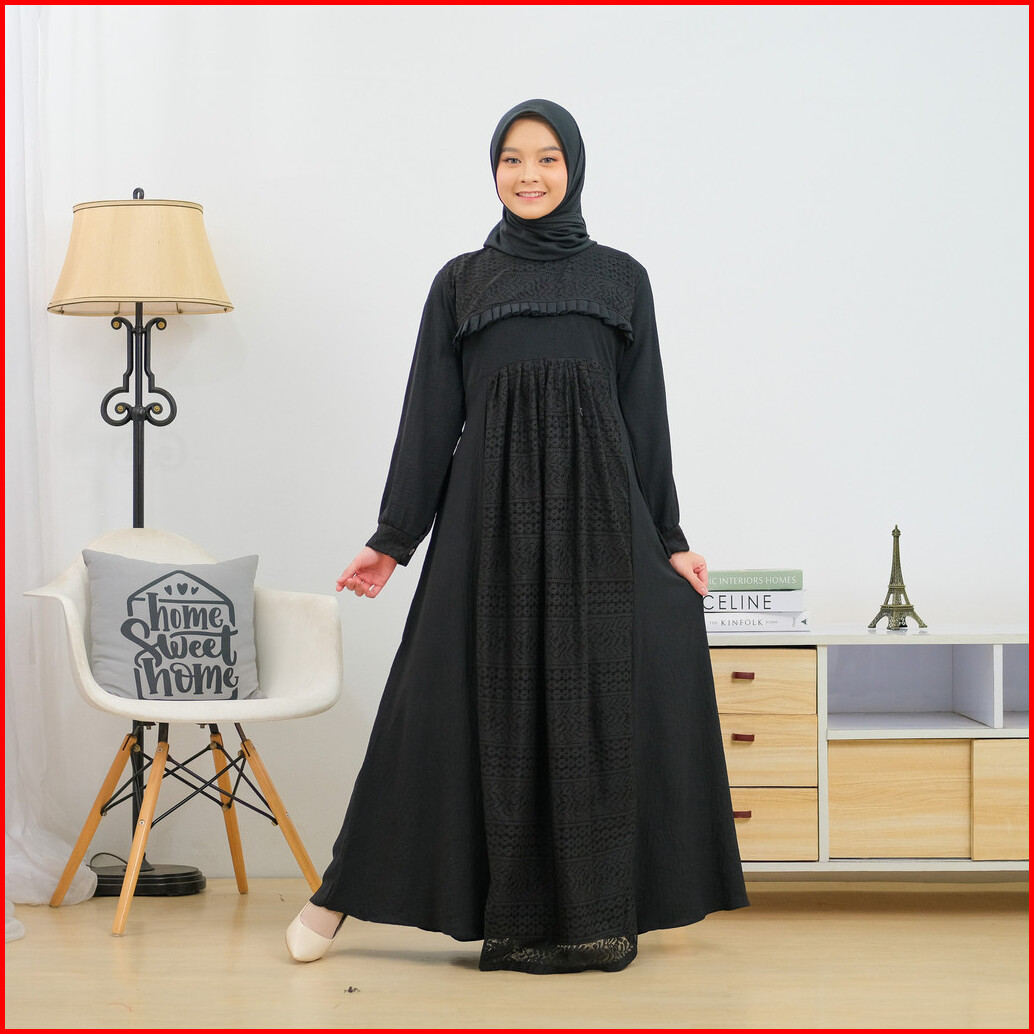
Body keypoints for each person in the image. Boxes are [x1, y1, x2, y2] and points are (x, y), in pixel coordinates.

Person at [286, 99, 748, 975]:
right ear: (493, 170)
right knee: (435, 698)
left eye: (546, 158)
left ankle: (600, 904)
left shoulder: (621, 279)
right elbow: (430, 415)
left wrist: (671, 537)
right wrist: (393, 537)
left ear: (574, 167)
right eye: (511, 158)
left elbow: (645, 417)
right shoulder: (461, 282)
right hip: (485, 521)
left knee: (607, 701)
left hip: (601, 522)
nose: (528, 174)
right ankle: (337, 894)